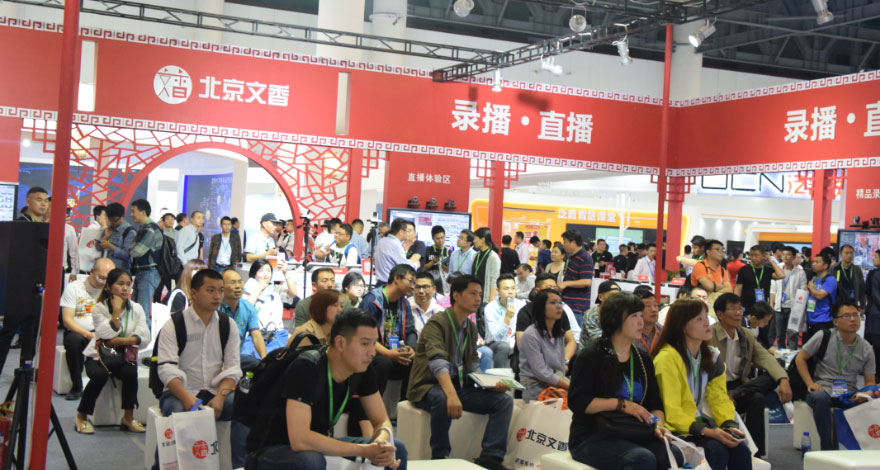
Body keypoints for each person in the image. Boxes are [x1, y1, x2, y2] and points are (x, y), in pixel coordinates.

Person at [244, 309, 407, 470]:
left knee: (396, 448)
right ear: (340, 343)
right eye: (365, 344)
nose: (372, 352)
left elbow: (381, 420)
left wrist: (381, 441)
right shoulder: (306, 367)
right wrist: (364, 450)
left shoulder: (362, 369)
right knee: (311, 461)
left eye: (374, 343)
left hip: (315, 445)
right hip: (272, 450)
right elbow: (300, 439)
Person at [407, 275, 513, 469]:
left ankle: (491, 457)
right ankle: (440, 457)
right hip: (427, 387)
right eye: (472, 293)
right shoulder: (437, 323)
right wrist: (451, 394)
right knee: (442, 398)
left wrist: (488, 385)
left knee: (503, 401)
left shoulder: (470, 327)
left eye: (479, 294)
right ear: (456, 295)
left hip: (458, 386)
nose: (478, 298)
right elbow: (437, 362)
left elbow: (473, 363)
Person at [569, 292, 680, 470]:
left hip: (632, 431)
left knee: (673, 454)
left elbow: (655, 403)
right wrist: (621, 405)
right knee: (642, 459)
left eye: (640, 315)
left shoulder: (642, 358)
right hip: (593, 434)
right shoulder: (592, 355)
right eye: (634, 316)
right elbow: (578, 401)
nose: (641, 322)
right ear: (615, 319)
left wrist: (658, 425)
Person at [156, 269, 245, 468]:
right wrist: (188, 400)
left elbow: (233, 367)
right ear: (194, 293)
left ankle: (240, 465)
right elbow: (166, 369)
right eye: (211, 290)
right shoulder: (174, 324)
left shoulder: (227, 325)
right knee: (177, 412)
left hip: (215, 391)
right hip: (179, 392)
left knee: (244, 405)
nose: (217, 296)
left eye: (220, 291)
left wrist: (221, 397)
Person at [653, 298, 752, 470]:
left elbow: (719, 398)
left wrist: (728, 424)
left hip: (698, 425)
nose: (707, 323)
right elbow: (672, 410)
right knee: (717, 451)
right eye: (699, 319)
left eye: (706, 316)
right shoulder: (666, 358)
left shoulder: (712, 356)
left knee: (741, 449)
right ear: (682, 326)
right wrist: (708, 431)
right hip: (673, 428)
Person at [711, 293, 791, 458]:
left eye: (740, 308)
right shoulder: (710, 335)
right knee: (757, 396)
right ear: (720, 314)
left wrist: (783, 379)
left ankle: (756, 454)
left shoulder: (745, 335)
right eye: (732, 309)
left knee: (767, 385)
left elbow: (765, 358)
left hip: (740, 387)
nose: (738, 313)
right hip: (716, 389)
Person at [74, 268, 151, 435]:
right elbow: (104, 335)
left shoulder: (136, 308)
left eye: (128, 284)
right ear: (109, 287)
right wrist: (116, 314)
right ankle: (81, 416)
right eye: (120, 284)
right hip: (98, 355)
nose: (125, 288)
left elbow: (145, 337)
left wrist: (121, 341)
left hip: (123, 355)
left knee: (131, 373)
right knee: (99, 375)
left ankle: (128, 418)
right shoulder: (99, 308)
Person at [795, 298, 876, 450]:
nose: (853, 319)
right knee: (820, 399)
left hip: (850, 393)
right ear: (836, 321)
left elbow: (870, 381)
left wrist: (867, 394)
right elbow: (800, 358)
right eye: (847, 316)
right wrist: (810, 383)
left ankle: (864, 450)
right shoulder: (823, 336)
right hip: (822, 388)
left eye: (856, 315)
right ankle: (828, 450)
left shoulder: (866, 348)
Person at [60, 258, 115, 401]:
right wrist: (88, 334)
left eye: (108, 279)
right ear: (91, 272)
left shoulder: (111, 291)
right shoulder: (75, 288)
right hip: (78, 331)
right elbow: (67, 320)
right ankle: (77, 385)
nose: (104, 282)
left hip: (102, 332)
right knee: (74, 342)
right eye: (101, 278)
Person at [361, 264, 418, 395]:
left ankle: (405, 403)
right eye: (410, 281)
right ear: (397, 278)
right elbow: (363, 337)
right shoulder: (372, 301)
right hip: (372, 352)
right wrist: (388, 353)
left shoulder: (404, 303)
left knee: (414, 360)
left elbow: (410, 330)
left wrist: (411, 348)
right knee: (383, 362)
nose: (413, 287)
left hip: (394, 351)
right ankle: (373, 403)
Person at [514, 274, 579, 373]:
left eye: (555, 288)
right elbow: (522, 346)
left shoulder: (559, 311)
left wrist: (564, 361)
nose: (553, 291)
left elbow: (571, 341)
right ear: (537, 291)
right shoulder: (525, 313)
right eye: (549, 288)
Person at [519, 289, 570, 402]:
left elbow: (560, 367)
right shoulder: (531, 334)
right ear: (541, 307)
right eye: (553, 302)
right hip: (535, 386)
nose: (559, 306)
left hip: (555, 382)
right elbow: (542, 373)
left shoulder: (559, 333)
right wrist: (569, 387)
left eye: (560, 303)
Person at [219, 268, 266, 371]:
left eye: (240, 282)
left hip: (235, 358)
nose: (238, 286)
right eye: (232, 283)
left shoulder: (248, 307)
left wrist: (265, 360)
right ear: (221, 287)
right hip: (214, 358)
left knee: (259, 367)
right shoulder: (214, 308)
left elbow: (256, 335)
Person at [128, 199, 164, 319]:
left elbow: (135, 252)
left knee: (142, 312)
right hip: (143, 272)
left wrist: (130, 249)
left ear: (143, 212)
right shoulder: (144, 228)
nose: (131, 214)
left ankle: (145, 332)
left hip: (149, 273)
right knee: (135, 310)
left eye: (133, 211)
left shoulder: (150, 229)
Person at [481, 274, 524, 369]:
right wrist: (507, 317)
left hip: (515, 341)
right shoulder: (491, 308)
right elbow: (496, 337)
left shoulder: (521, 305)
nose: (510, 292)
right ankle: (499, 374)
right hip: (494, 344)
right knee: (503, 346)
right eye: (506, 289)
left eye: (513, 288)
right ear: (498, 291)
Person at [770, 246, 807, 350]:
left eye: (788, 254)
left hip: (794, 308)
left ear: (794, 257)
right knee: (779, 335)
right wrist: (771, 304)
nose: (785, 256)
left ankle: (792, 357)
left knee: (793, 335)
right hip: (779, 307)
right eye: (784, 254)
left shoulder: (800, 272)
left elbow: (803, 291)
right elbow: (773, 289)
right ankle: (781, 356)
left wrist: (800, 308)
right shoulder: (777, 269)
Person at [244, 258, 299, 329]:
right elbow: (247, 307)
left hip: (276, 331)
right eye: (261, 271)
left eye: (268, 271)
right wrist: (260, 287)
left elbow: (293, 293)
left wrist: (285, 273)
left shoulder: (275, 288)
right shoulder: (249, 288)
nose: (265, 274)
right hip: (257, 331)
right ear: (254, 274)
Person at [734, 245, 785, 316]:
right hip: (746, 306)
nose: (753, 258)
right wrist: (736, 305)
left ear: (763, 256)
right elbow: (738, 289)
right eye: (751, 255)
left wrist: (771, 261)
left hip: (763, 306)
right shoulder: (744, 270)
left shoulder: (767, 270)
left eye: (756, 255)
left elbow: (781, 275)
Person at [689, 239, 732, 318]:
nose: (721, 252)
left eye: (723, 250)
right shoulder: (700, 266)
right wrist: (721, 286)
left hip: (716, 306)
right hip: (699, 306)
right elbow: (709, 286)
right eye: (718, 249)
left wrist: (714, 290)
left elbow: (729, 289)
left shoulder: (722, 270)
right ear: (708, 252)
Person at [559, 230, 594, 328]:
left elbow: (587, 281)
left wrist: (566, 284)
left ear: (573, 243)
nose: (564, 245)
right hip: (568, 303)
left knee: (575, 334)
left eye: (565, 242)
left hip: (577, 307)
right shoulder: (571, 257)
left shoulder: (584, 257)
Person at [373, 219, 420, 286]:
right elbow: (403, 267)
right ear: (401, 232)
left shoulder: (382, 241)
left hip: (379, 282)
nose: (408, 234)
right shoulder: (395, 244)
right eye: (407, 231)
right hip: (389, 284)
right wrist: (416, 264)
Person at [805, 252, 837, 342]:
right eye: (813, 262)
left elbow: (820, 296)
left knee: (821, 348)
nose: (813, 264)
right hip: (811, 319)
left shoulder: (830, 279)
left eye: (817, 262)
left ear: (825, 265)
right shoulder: (814, 278)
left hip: (824, 320)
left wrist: (811, 287)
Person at [580, 280, 621, 345]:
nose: (616, 299)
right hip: (591, 349)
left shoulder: (620, 313)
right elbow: (599, 339)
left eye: (618, 296)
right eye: (612, 295)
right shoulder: (591, 315)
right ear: (600, 297)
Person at [98, 202, 136, 272]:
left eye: (115, 220)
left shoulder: (130, 232)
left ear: (122, 216)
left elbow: (127, 255)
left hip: (120, 271)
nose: (113, 223)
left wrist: (110, 247)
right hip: (106, 269)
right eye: (110, 220)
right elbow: (97, 248)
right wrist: (105, 237)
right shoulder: (109, 228)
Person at [832, 244, 868, 309]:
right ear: (841, 254)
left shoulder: (857, 270)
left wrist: (863, 306)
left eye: (851, 253)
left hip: (853, 303)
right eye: (847, 253)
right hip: (837, 304)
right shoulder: (834, 268)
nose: (849, 255)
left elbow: (862, 289)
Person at [472, 228, 502, 303]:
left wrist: (491, 301)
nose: (473, 241)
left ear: (482, 240)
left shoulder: (493, 257)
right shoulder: (476, 255)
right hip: (474, 295)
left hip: (485, 299)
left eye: (475, 238)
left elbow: (494, 281)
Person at [410, 271, 444, 336]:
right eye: (418, 287)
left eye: (425, 287)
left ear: (434, 289)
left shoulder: (439, 311)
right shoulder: (406, 308)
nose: (421, 291)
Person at [632, 285, 662, 354]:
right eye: (648, 306)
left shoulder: (663, 332)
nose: (653, 309)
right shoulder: (628, 333)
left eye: (655, 305)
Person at [866, 250, 880, 374]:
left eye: (876, 256)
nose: (873, 258)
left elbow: (875, 295)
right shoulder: (875, 273)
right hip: (875, 314)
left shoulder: (875, 274)